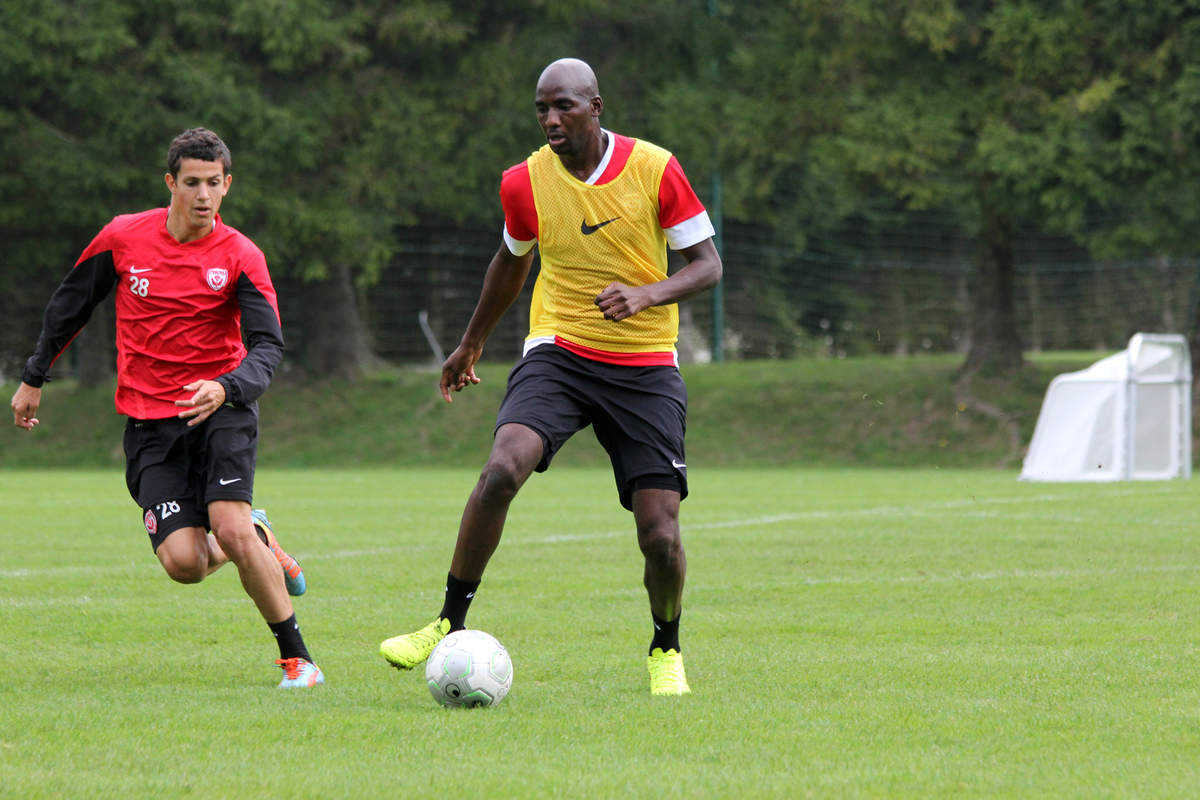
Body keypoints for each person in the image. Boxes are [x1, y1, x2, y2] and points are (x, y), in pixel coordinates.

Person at [380, 58, 722, 695]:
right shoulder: (525, 181)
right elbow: (510, 264)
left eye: (564, 106)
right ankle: (447, 621)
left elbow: (707, 266)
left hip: (645, 366)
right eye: (542, 109)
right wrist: (469, 343)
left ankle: (665, 644)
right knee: (501, 468)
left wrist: (648, 295)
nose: (551, 120)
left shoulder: (654, 168)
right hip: (560, 351)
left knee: (660, 535)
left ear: (596, 106)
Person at [10, 128, 323, 689]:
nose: (203, 195)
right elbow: (70, 305)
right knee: (185, 565)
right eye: (192, 183)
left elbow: (268, 345)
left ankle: (299, 660)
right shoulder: (123, 239)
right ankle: (259, 535)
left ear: (227, 185)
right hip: (151, 424)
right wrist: (35, 377)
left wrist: (227, 387)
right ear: (170, 185)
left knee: (226, 529)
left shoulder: (241, 255)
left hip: (221, 412)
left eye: (214, 184)